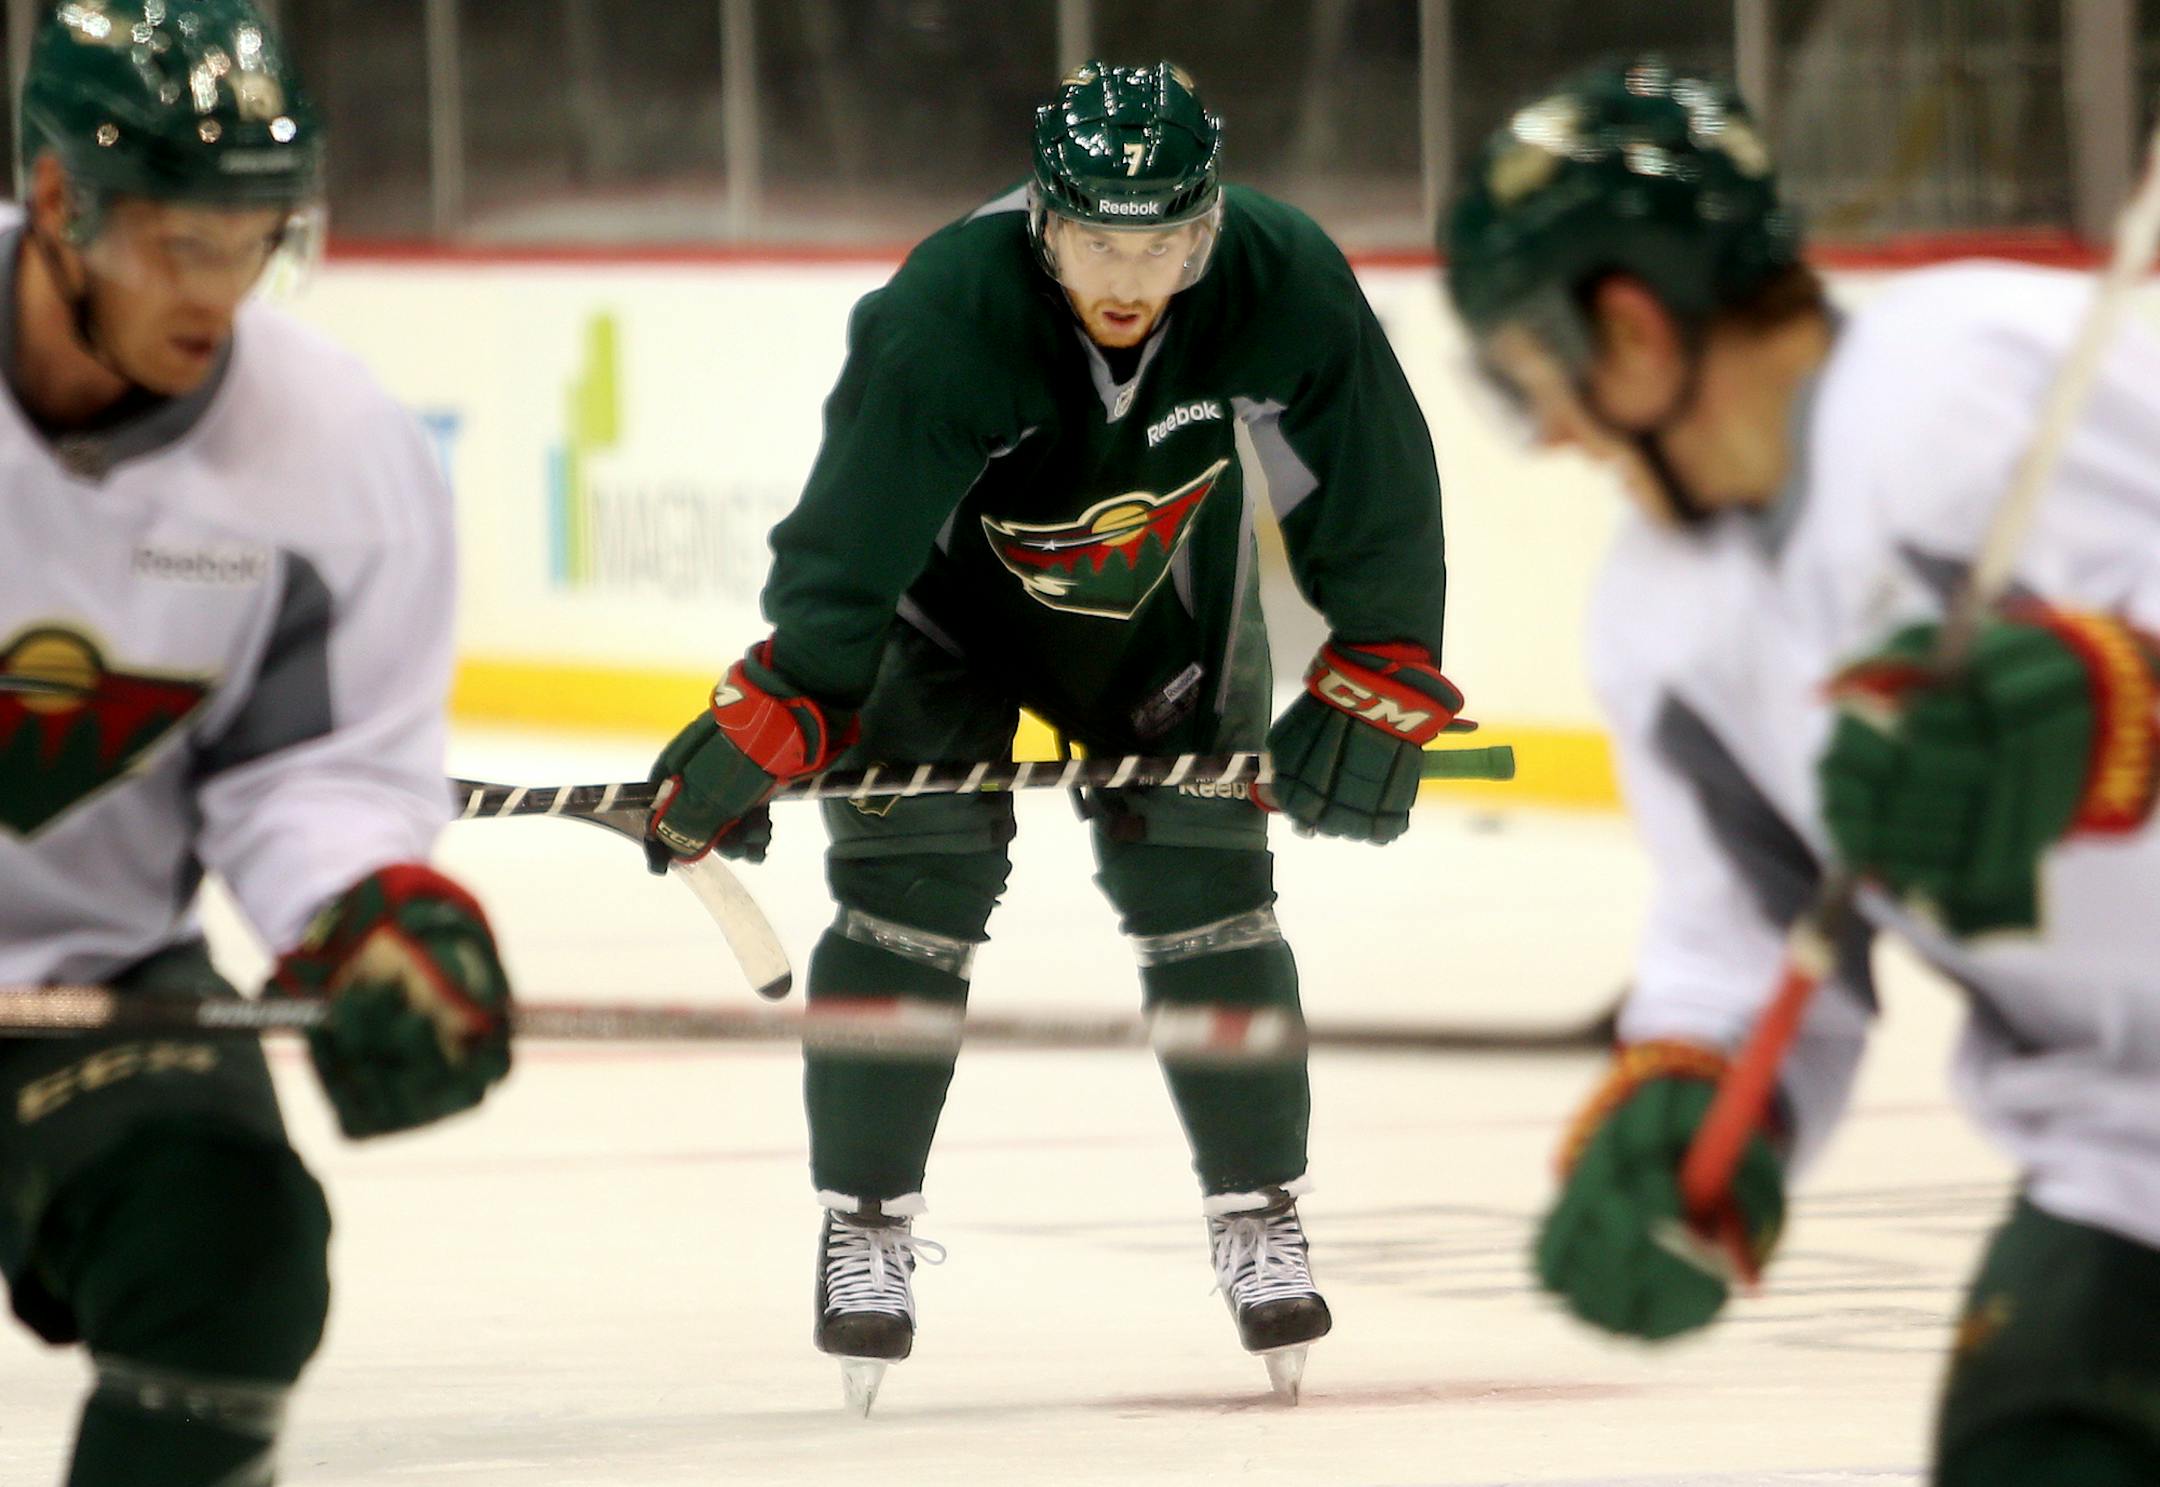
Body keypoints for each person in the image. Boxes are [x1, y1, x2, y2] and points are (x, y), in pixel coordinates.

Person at [644, 60, 1456, 1410]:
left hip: (1162, 617)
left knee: (1210, 890)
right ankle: (868, 1223)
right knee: (913, 885)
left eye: (1163, 242)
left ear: (1210, 227)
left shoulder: (1279, 279)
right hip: (942, 623)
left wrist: (1384, 657)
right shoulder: (945, 313)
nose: (1128, 275)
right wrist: (794, 694)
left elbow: (1361, 468)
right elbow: (859, 533)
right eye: (1094, 238)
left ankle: (1258, 1209)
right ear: (1042, 222)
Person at [1445, 58, 2160, 1486]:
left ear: (1632, 331)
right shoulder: (1658, 622)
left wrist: (2115, 706)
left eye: (1540, 373)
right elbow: (1751, 939)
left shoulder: (1982, 374)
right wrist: (1701, 1097)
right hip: (2128, 1160)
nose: (1555, 433)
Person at [0, 3, 514, 1482]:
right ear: (56, 202)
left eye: (255, 241)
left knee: (232, 1245)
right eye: (180, 242)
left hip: (89, 983)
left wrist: (368, 915)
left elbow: (318, 773)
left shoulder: (333, 455)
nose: (217, 296)